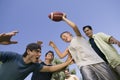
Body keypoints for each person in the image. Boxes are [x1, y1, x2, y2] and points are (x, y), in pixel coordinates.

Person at [49, 15, 119, 80]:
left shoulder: (79, 37)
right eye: (62, 39)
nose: (64, 38)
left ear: (70, 34)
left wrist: (64, 19)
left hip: (97, 61)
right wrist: (54, 47)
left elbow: (74, 26)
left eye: (64, 36)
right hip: (83, 65)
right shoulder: (69, 47)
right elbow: (61, 56)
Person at [0, 31, 72, 80]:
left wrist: (68, 61)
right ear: (28, 51)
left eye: (40, 52)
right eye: (37, 52)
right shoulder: (12, 56)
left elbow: (51, 68)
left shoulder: (34, 66)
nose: (40, 54)